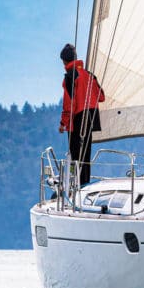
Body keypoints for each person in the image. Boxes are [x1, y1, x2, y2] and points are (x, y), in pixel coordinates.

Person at [58, 43, 105, 187]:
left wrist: (62, 124)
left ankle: (77, 185)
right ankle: (85, 184)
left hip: (77, 119)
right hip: (91, 117)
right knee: (86, 154)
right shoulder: (90, 75)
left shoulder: (70, 77)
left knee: (76, 155)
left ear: (64, 61)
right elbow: (101, 96)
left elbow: (68, 105)